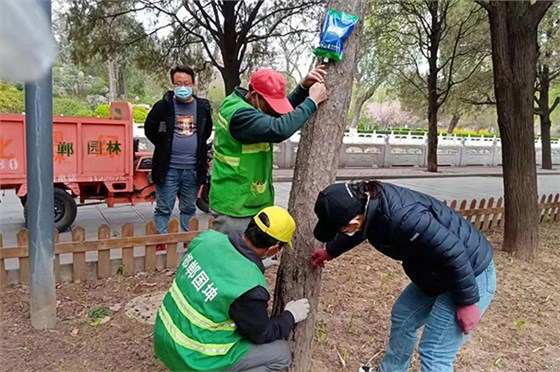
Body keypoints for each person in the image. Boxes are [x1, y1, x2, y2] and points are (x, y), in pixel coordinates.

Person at [310, 180, 496, 372]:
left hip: (471, 273)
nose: (342, 233)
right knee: (404, 315)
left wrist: (466, 302)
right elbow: (362, 229)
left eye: (340, 229)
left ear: (354, 221)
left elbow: (453, 252)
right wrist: (331, 250)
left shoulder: (407, 218)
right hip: (437, 272)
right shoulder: (368, 202)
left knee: (434, 351)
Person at [154, 206, 310, 372]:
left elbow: (217, 266)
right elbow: (261, 333)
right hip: (193, 360)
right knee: (281, 354)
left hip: (164, 339)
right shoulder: (250, 288)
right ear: (273, 248)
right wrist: (289, 316)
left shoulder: (207, 238)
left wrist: (255, 264)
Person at [210, 66, 328, 235]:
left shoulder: (247, 104)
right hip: (234, 204)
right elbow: (279, 128)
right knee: (233, 256)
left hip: (249, 197)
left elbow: (278, 112)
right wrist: (311, 102)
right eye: (270, 103)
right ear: (255, 95)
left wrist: (302, 88)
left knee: (250, 255)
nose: (273, 109)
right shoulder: (240, 115)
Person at [144, 65, 213, 251]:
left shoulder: (202, 107)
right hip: (169, 169)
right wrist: (164, 143)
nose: (183, 87)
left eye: (187, 83)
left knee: (189, 208)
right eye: (179, 83)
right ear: (173, 84)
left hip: (192, 168)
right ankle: (161, 241)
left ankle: (187, 239)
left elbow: (205, 133)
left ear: (193, 84)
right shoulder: (163, 106)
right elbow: (150, 129)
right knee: (163, 208)